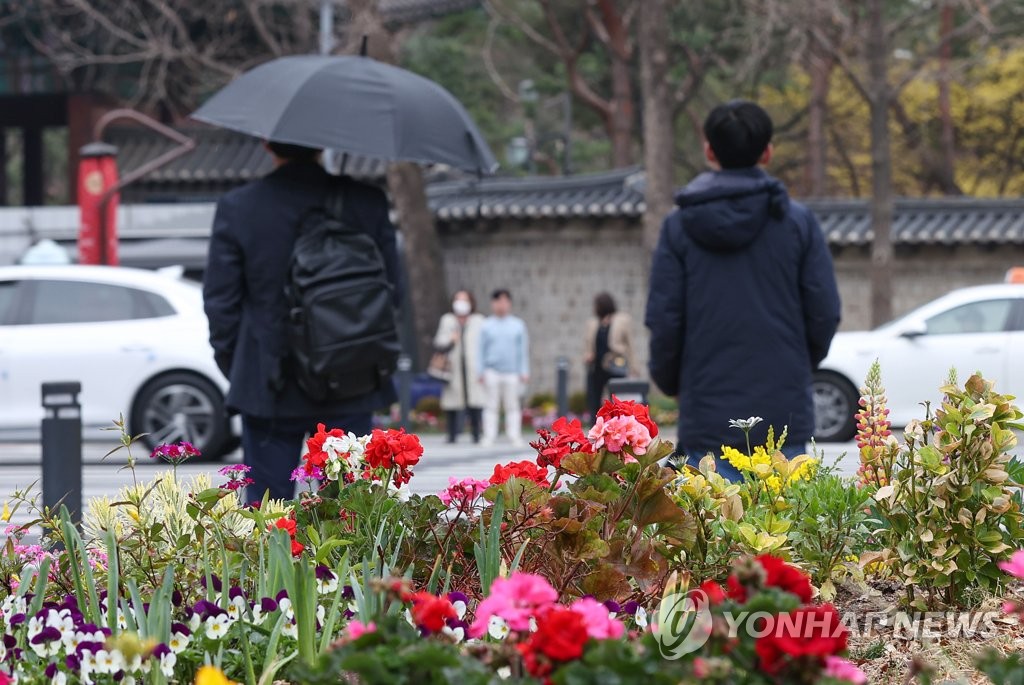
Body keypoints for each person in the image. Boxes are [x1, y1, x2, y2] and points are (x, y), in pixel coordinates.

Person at [645, 100, 841, 481]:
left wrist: (674, 382)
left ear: (709, 150)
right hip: (783, 408)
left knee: (712, 533)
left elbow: (665, 318)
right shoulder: (796, 223)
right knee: (786, 531)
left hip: (706, 407)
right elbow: (824, 311)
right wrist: (798, 364)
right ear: (767, 152)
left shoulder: (679, 227)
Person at [203, 141, 401, 502]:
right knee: (348, 510)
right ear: (323, 143)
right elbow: (394, 293)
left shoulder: (241, 207)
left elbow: (221, 302)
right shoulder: (365, 201)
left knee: (268, 512)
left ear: (266, 144)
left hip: (269, 377)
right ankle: (335, 561)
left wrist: (236, 364)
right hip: (351, 371)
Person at [478, 289, 529, 446]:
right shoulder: (486, 325)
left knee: (512, 405)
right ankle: (489, 435)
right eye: (498, 301)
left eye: (505, 301)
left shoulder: (518, 325)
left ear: (509, 303)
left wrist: (524, 371)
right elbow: (480, 350)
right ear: (493, 303)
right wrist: (480, 371)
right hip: (492, 370)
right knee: (490, 405)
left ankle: (514, 434)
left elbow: (523, 350)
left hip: (512, 372)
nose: (502, 304)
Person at [433, 290, 486, 443]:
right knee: (452, 401)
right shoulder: (447, 320)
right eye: (458, 299)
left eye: (465, 300)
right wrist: (450, 340)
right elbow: (439, 342)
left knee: (475, 401)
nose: (461, 303)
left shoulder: (479, 320)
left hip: (473, 366)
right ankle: (452, 434)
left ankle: (476, 433)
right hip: (452, 366)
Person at [583, 292, 636, 421]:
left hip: (615, 365)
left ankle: (617, 429)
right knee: (594, 401)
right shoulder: (593, 323)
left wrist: (634, 367)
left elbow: (630, 345)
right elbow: (588, 343)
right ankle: (595, 430)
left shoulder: (622, 320)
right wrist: (587, 355)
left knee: (617, 402)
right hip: (596, 368)